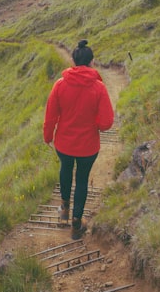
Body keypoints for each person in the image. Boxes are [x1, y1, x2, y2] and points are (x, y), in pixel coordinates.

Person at [43, 39, 115, 239]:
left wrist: (48, 136)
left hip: (64, 143)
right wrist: (96, 125)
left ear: (73, 61)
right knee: (82, 180)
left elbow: (51, 115)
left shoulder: (60, 85)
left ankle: (64, 208)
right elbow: (107, 122)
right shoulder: (99, 88)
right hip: (88, 146)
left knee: (65, 169)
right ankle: (76, 224)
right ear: (92, 62)